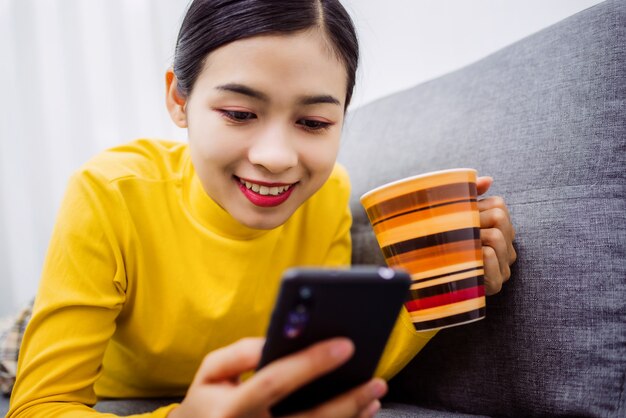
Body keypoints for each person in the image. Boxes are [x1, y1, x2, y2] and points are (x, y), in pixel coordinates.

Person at [7, 0, 517, 417]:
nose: (275, 159)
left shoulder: (325, 195)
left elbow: (321, 369)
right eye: (239, 113)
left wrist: (441, 287)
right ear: (178, 100)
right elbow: (40, 407)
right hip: (56, 331)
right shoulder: (108, 192)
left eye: (314, 122)